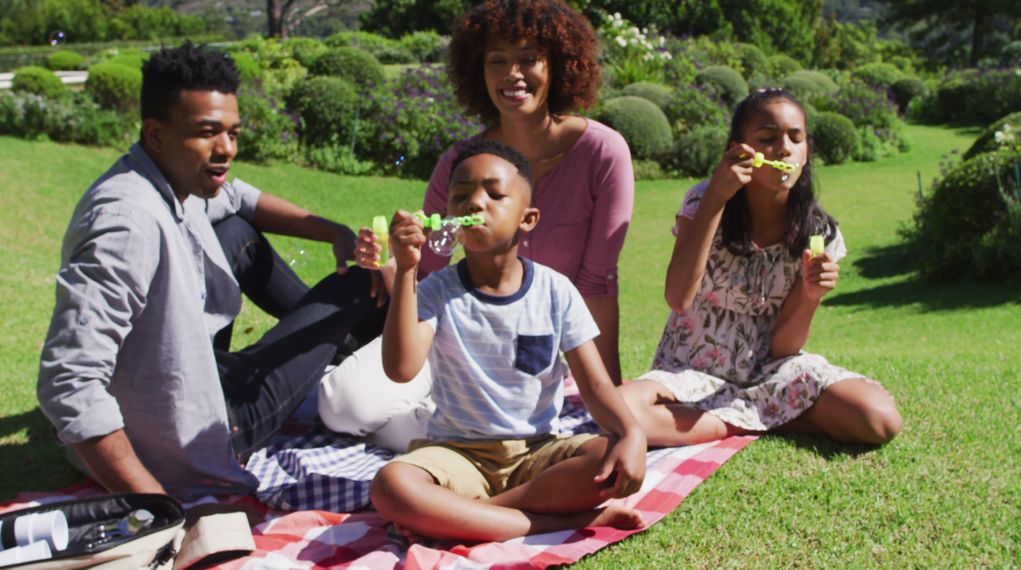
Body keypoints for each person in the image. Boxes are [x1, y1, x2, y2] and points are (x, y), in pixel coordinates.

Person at [36, 42, 386, 500]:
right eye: (207, 133)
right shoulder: (126, 222)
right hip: (207, 429)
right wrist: (156, 506)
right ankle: (373, 356)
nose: (226, 149)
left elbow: (238, 200)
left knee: (235, 230)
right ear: (156, 133)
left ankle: (345, 350)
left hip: (200, 377)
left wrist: (333, 231)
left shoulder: (171, 179)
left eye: (233, 133)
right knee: (362, 280)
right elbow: (67, 380)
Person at [324, 0, 634, 447]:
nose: (513, 74)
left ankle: (437, 435)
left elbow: (596, 284)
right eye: (498, 61)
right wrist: (389, 262)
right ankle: (443, 433)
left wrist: (611, 403)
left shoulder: (603, 153)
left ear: (560, 65)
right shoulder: (461, 164)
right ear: (478, 70)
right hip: (454, 336)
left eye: (528, 59)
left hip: (536, 343)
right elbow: (430, 273)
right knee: (343, 405)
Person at [367, 140, 646, 542]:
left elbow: (597, 385)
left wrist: (632, 434)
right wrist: (408, 271)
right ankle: (557, 521)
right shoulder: (436, 291)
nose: (473, 204)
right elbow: (401, 368)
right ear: (446, 216)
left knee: (610, 460)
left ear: (528, 218)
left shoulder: (556, 290)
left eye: (494, 194)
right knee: (392, 484)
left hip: (538, 453)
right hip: (457, 455)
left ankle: (472, 517)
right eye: (460, 196)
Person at [618, 89, 903, 447]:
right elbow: (678, 297)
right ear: (739, 148)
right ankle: (747, 421)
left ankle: (730, 417)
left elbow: (784, 347)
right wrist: (716, 199)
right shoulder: (702, 200)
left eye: (795, 138)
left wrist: (812, 296)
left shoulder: (820, 232)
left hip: (771, 373)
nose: (783, 149)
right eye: (767, 139)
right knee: (622, 411)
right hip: (693, 368)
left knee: (879, 419)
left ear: (806, 151)